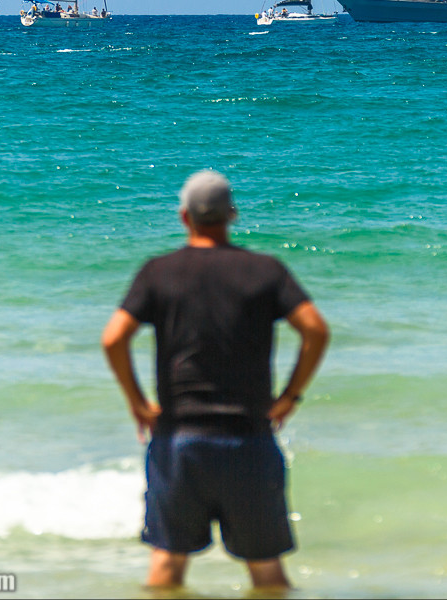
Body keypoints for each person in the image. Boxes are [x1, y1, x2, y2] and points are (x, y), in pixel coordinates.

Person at [102, 169, 330, 591]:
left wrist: (137, 402)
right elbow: (315, 330)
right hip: (247, 441)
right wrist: (289, 398)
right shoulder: (265, 271)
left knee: (167, 566)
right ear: (232, 215)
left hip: (178, 441)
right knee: (266, 571)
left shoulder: (158, 272)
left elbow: (113, 338)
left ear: (184, 217)